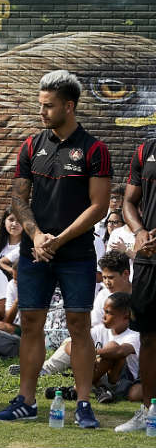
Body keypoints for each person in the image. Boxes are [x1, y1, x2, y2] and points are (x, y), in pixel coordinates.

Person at [0, 70, 111, 428]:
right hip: (34, 251)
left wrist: (59, 239)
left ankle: (84, 404)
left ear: (69, 106)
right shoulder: (30, 146)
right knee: (30, 323)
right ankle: (25, 401)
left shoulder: (94, 149)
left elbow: (99, 206)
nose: (41, 111)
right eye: (40, 105)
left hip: (75, 254)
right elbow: (17, 198)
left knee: (78, 326)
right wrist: (38, 235)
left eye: (49, 106)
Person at [115, 136, 156, 432]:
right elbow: (129, 201)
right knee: (150, 338)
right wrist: (140, 232)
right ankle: (148, 412)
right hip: (148, 260)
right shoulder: (145, 150)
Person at [43, 293, 141, 405]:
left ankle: (75, 390)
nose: (103, 316)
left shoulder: (135, 335)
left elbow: (120, 351)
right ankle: (101, 389)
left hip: (121, 381)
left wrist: (92, 353)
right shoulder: (99, 330)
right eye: (104, 311)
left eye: (109, 313)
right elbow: (71, 345)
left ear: (126, 315)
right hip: (100, 375)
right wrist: (88, 356)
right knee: (82, 347)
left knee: (111, 347)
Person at [91, 251, 132, 328]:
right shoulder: (102, 296)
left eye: (111, 277)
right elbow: (95, 325)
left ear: (125, 274)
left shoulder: (140, 295)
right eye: (104, 277)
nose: (107, 282)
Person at [0, 207, 23, 277]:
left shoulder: (26, 246)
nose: (14, 224)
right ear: (4, 222)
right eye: (11, 220)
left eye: (19, 220)